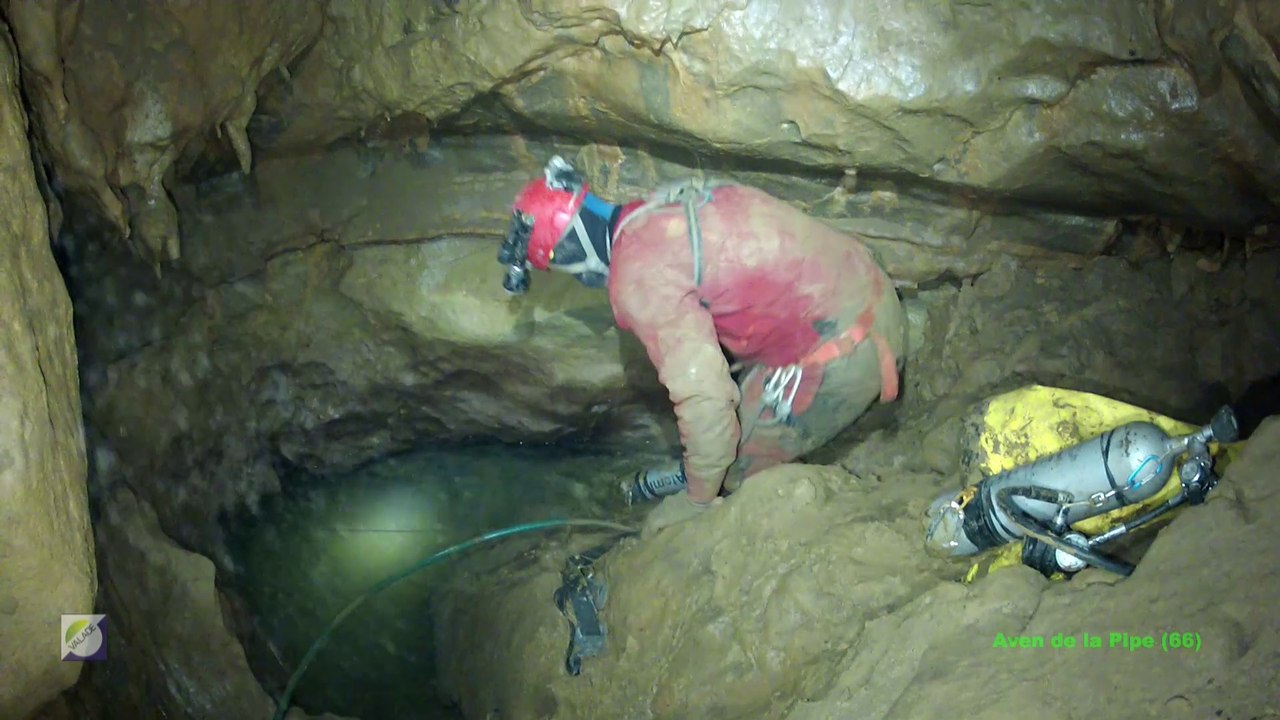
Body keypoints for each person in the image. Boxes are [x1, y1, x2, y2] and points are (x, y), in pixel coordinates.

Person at [497, 156, 906, 530]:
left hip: (847, 348)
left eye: (563, 265)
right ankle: (697, 468)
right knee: (729, 424)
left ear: (570, 250)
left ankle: (720, 496)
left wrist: (696, 501)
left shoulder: (639, 274)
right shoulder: (662, 205)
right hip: (862, 288)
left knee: (732, 475)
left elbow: (705, 400)